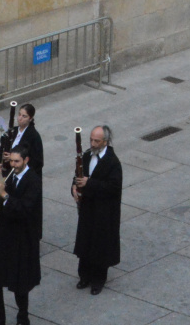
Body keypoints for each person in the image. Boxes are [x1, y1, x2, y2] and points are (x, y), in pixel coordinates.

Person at [0, 149, 42, 325]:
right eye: (12, 162)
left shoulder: (33, 181)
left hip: (22, 238)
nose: (13, 165)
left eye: (17, 162)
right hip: (3, 233)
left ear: (26, 160)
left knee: (20, 285)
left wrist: (4, 195)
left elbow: (24, 209)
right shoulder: (9, 175)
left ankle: (23, 317)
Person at [73, 125, 122, 294]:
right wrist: (74, 187)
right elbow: (78, 176)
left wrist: (89, 183)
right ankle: (84, 276)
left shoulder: (112, 162)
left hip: (104, 212)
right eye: (91, 140)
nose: (92, 144)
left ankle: (98, 280)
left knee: (100, 246)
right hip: (88, 209)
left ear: (105, 142)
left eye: (96, 141)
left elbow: (114, 187)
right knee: (86, 243)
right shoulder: (86, 156)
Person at [0, 103, 44, 177]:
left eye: (24, 116)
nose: (19, 118)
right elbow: (2, 149)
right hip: (8, 173)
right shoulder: (13, 131)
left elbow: (37, 162)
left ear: (30, 119)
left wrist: (13, 159)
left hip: (22, 177)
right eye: (19, 114)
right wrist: (0, 162)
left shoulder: (34, 136)